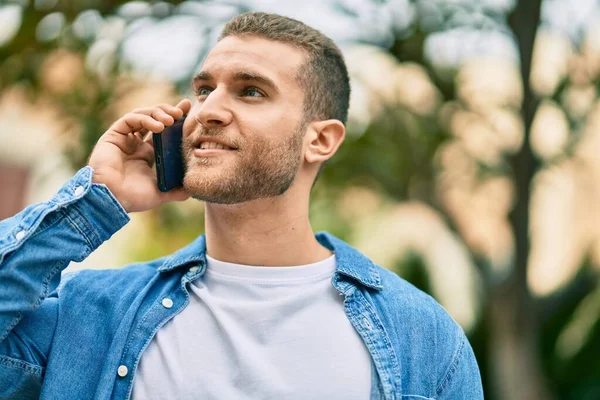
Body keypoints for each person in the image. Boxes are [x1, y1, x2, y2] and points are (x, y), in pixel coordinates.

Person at [0, 11, 483, 400]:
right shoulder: (91, 314)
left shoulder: (422, 340)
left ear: (320, 139)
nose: (208, 110)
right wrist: (95, 203)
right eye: (204, 89)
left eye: (251, 91)